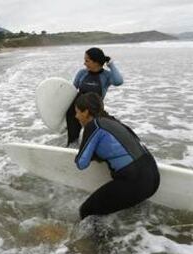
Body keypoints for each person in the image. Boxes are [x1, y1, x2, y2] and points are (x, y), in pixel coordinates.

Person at [74, 92, 160, 220]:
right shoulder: (113, 121)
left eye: (77, 112)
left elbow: (81, 163)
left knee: (86, 211)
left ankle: (101, 240)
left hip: (136, 181)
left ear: (86, 112)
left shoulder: (94, 126)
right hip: (153, 177)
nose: (76, 116)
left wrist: (92, 153)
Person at [66, 47, 124, 146]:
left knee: (91, 140)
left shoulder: (106, 76)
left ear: (96, 62)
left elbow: (118, 81)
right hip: (77, 110)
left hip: (94, 111)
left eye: (87, 61)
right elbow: (72, 89)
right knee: (73, 141)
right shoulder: (82, 73)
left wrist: (111, 64)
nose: (84, 63)